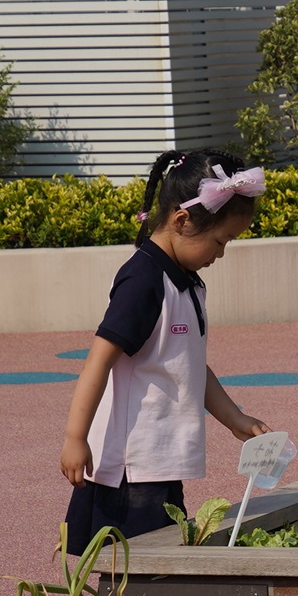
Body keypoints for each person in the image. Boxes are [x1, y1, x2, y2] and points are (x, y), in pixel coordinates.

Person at [59, 149, 271, 550]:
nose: (221, 254)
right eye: (220, 241)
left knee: (162, 556)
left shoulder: (187, 283)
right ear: (182, 220)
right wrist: (75, 436)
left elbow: (188, 364)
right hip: (129, 465)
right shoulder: (144, 280)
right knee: (134, 565)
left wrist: (234, 418)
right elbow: (99, 361)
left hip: (159, 461)